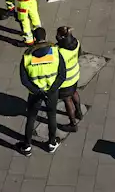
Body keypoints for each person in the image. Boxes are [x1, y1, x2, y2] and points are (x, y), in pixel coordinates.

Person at [18, 27, 65, 156]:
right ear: (45, 36)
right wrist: (51, 90)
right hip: (51, 92)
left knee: (31, 117)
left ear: (34, 39)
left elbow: (24, 80)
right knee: (52, 116)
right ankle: (51, 143)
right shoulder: (55, 52)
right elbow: (62, 75)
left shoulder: (27, 56)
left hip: (35, 93)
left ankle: (27, 146)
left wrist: (37, 91)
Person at [56, 26, 84, 131]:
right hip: (75, 75)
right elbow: (79, 54)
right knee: (74, 93)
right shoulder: (76, 43)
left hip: (65, 81)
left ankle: (73, 124)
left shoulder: (59, 51)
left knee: (67, 100)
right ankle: (79, 112)